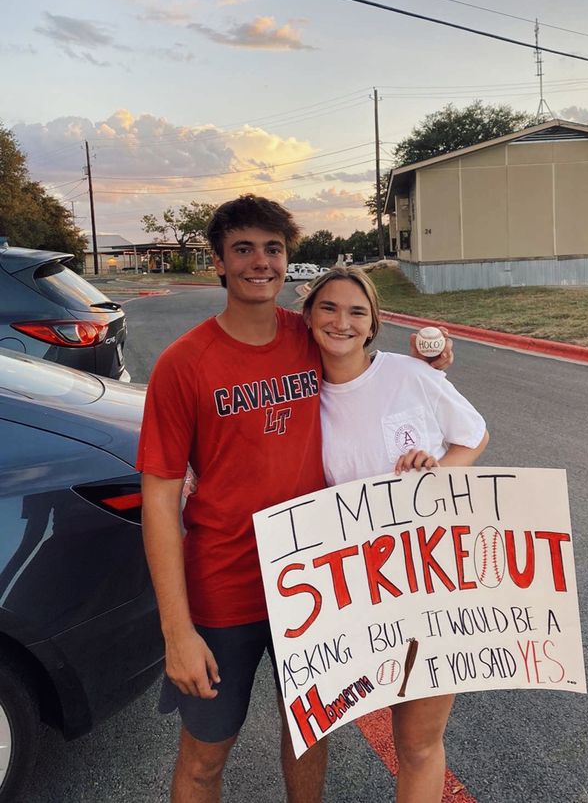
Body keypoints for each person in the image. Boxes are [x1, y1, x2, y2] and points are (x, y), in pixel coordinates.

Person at [137, 195, 452, 803]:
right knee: (205, 756)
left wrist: (432, 367)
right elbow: (159, 500)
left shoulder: (309, 335)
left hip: (313, 582)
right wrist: (176, 630)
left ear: (289, 258)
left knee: (310, 735)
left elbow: (371, 370)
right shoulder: (185, 364)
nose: (261, 262)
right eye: (244, 249)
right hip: (224, 586)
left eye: (273, 249)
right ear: (218, 261)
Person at [302, 267, 489, 803]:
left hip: (423, 579)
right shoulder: (295, 391)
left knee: (419, 743)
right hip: (345, 588)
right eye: (329, 308)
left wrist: (436, 475)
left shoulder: (411, 375)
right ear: (309, 316)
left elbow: (472, 436)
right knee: (323, 725)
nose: (342, 322)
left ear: (374, 323)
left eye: (357, 311)